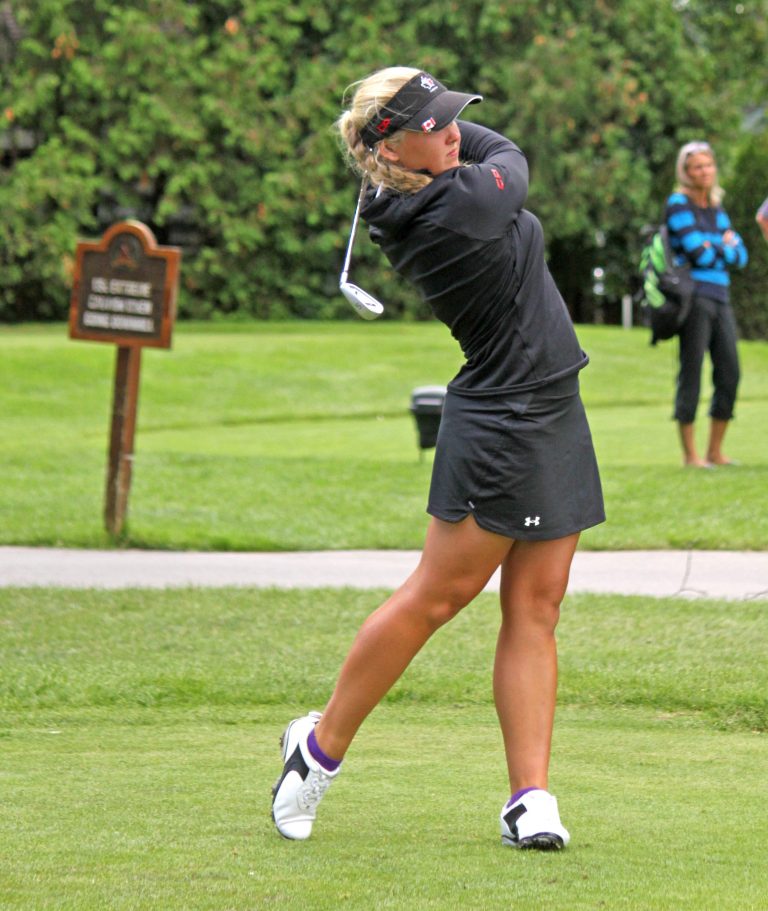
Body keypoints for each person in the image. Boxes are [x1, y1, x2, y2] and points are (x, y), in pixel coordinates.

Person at [271, 67, 605, 851]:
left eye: (456, 117)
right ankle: (314, 753)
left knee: (537, 607)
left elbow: (482, 143)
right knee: (436, 598)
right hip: (501, 421)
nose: (456, 131)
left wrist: (413, 127)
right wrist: (396, 136)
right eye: (437, 123)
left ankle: (530, 798)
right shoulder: (455, 204)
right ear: (393, 144)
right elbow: (510, 155)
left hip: (553, 403)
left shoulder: (425, 180)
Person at [665, 141, 748, 467]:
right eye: (697, 166)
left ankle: (715, 451)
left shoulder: (717, 208)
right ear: (685, 172)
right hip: (694, 298)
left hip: (721, 297)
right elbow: (698, 252)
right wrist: (722, 244)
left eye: (708, 165)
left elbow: (740, 257)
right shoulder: (678, 204)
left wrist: (717, 246)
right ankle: (691, 455)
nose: (705, 171)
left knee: (730, 372)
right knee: (692, 372)